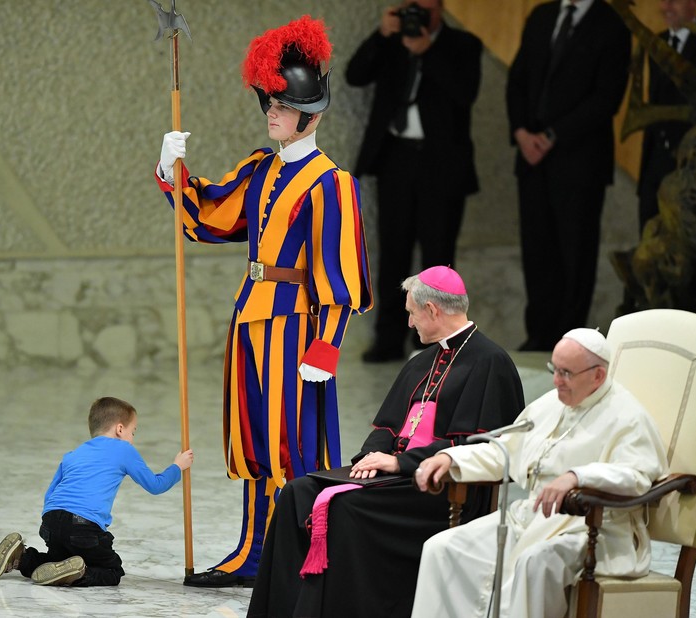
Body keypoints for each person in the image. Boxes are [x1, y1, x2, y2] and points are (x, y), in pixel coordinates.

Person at [154, 16, 372, 587]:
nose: (271, 112)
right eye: (268, 101)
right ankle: (254, 552)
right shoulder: (260, 168)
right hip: (251, 317)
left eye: (281, 103)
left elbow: (340, 275)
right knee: (253, 440)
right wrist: (169, 171)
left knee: (292, 445)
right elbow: (208, 218)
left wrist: (326, 349)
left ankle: (296, 554)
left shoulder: (332, 184)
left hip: (297, 326)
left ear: (311, 113)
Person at [247, 266, 525, 618]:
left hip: (439, 489)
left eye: (411, 313)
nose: (409, 323)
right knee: (296, 494)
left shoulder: (491, 363)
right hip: (396, 479)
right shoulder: (422, 360)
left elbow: (481, 446)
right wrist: (373, 455)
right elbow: (387, 425)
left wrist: (399, 463)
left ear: (433, 310)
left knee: (341, 510)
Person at [411, 328, 669, 618]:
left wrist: (577, 477)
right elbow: (504, 451)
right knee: (442, 548)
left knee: (534, 562)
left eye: (567, 373)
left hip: (590, 528)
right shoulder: (550, 404)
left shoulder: (628, 417)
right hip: (530, 518)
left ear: (597, 375)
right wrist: (449, 458)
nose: (557, 381)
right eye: (554, 369)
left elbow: (636, 477)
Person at [346, 0, 483, 363]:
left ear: (439, 9)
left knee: (438, 257)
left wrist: (429, 51)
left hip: (442, 164)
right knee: (393, 253)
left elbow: (465, 93)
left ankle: (436, 339)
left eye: (426, 7)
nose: (418, 15)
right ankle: (389, 338)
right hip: (396, 160)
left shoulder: (463, 44)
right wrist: (382, 34)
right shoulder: (393, 41)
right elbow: (354, 74)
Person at [506, 0, 631, 352]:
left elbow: (606, 97)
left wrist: (552, 135)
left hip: (579, 161)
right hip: (532, 158)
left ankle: (570, 340)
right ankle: (540, 334)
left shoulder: (611, 24)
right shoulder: (543, 15)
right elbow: (518, 80)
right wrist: (520, 132)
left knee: (575, 253)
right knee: (537, 249)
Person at [0, 396, 194, 587]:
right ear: (120, 429)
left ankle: (22, 558)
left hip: (50, 522)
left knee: (57, 559)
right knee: (112, 571)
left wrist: (56, 525)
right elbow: (155, 485)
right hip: (82, 527)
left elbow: (50, 495)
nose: (133, 438)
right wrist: (178, 466)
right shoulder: (124, 449)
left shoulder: (73, 454)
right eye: (133, 432)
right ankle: (77, 573)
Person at [637, 0, 696, 235]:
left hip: (688, 170)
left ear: (693, 4)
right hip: (653, 170)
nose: (665, 7)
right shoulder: (658, 43)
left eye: (673, 1)